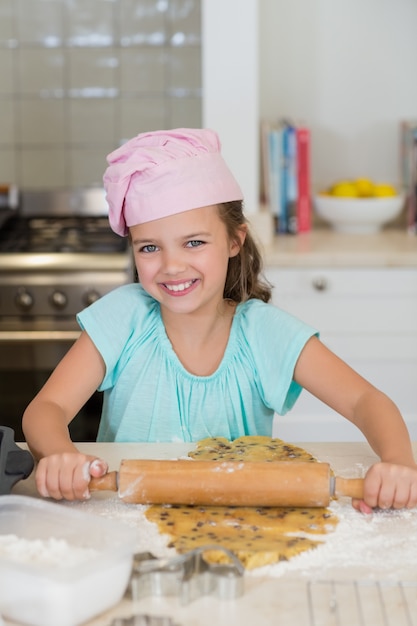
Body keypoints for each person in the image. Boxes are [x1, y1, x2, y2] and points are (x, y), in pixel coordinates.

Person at [22, 128, 417, 513]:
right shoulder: (123, 319)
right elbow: (46, 409)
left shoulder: (264, 334)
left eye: (194, 242)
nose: (172, 266)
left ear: (234, 240)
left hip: (237, 528)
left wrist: (399, 465)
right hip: (125, 522)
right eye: (149, 247)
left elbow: (368, 401)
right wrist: (59, 456)